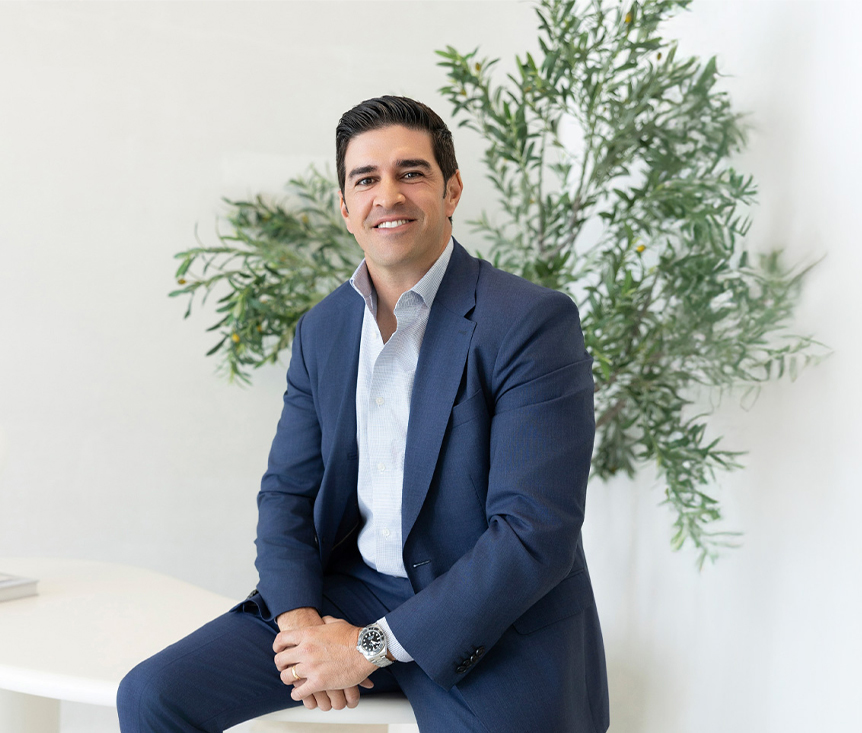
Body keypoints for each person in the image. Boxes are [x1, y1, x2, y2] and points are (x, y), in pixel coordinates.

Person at [117, 95, 609, 733]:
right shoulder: (323, 329)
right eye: (366, 179)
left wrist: (364, 649)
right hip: (351, 591)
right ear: (345, 205)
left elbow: (533, 536)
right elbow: (288, 493)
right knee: (154, 696)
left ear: (452, 189)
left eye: (411, 173)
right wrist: (301, 627)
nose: (388, 195)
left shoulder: (529, 322)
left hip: (491, 615)